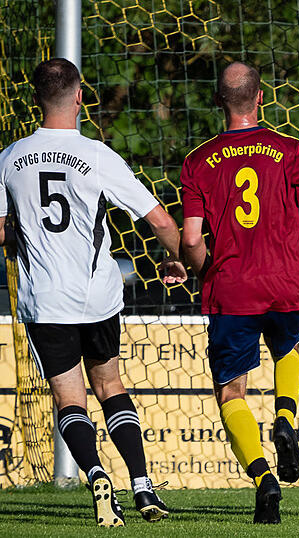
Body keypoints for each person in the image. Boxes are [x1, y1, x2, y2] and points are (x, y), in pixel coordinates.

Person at [179, 62, 299, 524]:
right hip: (286, 283)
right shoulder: (287, 149)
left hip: (233, 289)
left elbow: (189, 240)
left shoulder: (198, 161)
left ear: (218, 101)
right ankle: (286, 418)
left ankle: (263, 478)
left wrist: (196, 270)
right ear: (260, 98)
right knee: (287, 347)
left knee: (231, 392)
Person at [0, 58, 186, 527]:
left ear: (36, 98)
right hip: (97, 296)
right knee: (110, 385)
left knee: (70, 400)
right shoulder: (97, 154)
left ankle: (97, 474)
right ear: (80, 96)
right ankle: (143, 487)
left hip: (45, 298)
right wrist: (179, 259)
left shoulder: (9, 157)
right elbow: (159, 218)